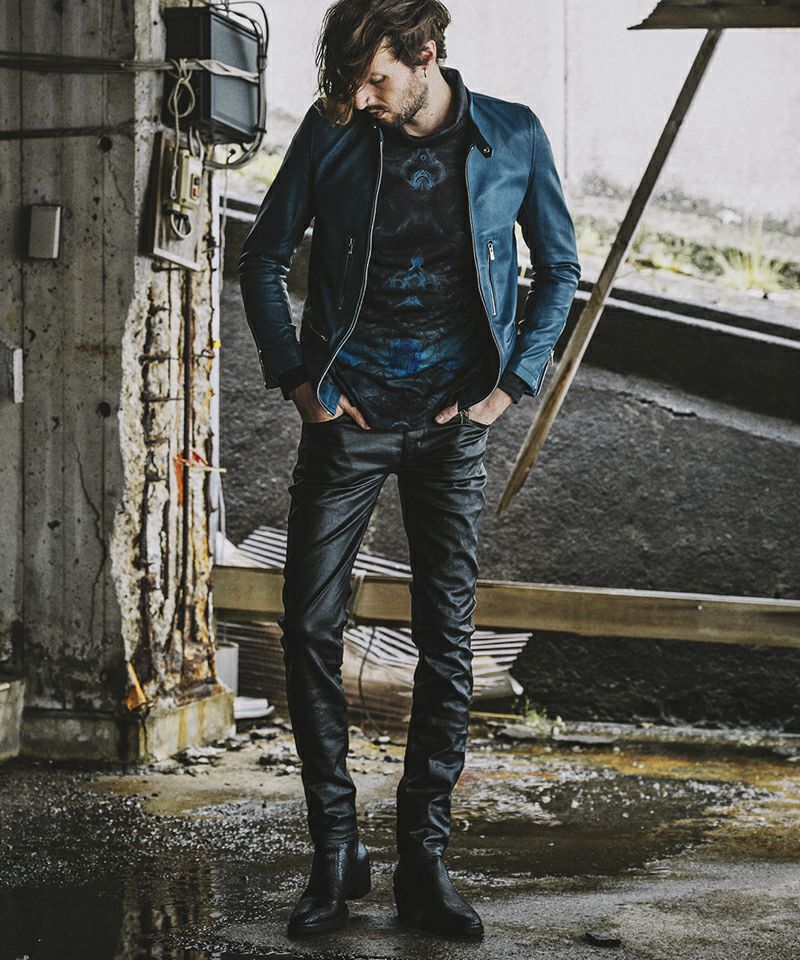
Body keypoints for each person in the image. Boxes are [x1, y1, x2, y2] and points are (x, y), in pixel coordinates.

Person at [238, 0, 581, 940]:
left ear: (426, 55)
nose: (361, 99)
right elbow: (263, 259)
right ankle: (334, 850)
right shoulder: (334, 131)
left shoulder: (512, 135)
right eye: (350, 84)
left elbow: (559, 270)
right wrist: (301, 384)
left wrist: (506, 391)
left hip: (451, 429)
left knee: (446, 640)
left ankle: (424, 862)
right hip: (345, 420)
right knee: (308, 624)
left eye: (377, 79)